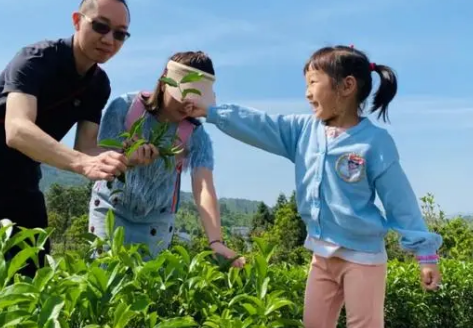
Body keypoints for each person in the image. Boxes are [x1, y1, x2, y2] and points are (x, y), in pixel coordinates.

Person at [185, 45, 442, 327]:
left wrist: (425, 254)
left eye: (313, 83)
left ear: (346, 86)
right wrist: (212, 112)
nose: (307, 93)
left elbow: (399, 200)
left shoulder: (374, 142)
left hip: (363, 258)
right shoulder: (303, 131)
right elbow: (261, 124)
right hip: (321, 255)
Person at [0, 0, 131, 275]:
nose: (109, 39)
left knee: (33, 272)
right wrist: (83, 164)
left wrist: (126, 156)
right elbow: (18, 130)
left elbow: (86, 147)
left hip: (23, 175)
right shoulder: (35, 59)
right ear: (77, 20)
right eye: (100, 26)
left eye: (120, 34)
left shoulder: (99, 85)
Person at [88, 51, 245, 267]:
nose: (187, 107)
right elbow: (97, 159)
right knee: (103, 275)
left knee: (146, 288)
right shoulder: (123, 108)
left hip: (157, 222)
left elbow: (204, 188)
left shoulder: (196, 136)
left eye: (195, 100)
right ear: (164, 80)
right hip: (110, 209)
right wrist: (128, 158)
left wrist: (215, 240)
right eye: (182, 96)